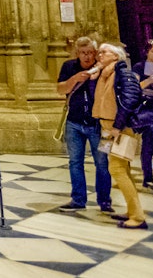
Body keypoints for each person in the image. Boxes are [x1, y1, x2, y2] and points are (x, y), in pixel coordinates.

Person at [92, 43, 147, 229]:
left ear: (116, 56)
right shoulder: (105, 74)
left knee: (116, 169)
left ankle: (138, 217)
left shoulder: (124, 73)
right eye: (99, 52)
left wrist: (117, 126)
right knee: (123, 168)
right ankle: (133, 211)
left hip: (120, 128)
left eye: (104, 52)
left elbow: (130, 99)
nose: (100, 55)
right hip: (107, 127)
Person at [55, 37, 112, 212]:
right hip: (74, 122)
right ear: (77, 53)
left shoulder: (102, 69)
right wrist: (74, 79)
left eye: (90, 53)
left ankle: (104, 201)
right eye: (83, 53)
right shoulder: (69, 66)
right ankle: (78, 199)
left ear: (95, 53)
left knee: (102, 163)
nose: (87, 57)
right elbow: (60, 89)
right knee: (75, 162)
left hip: (97, 124)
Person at [133, 39, 153, 189]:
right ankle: (148, 178)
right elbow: (134, 88)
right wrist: (149, 80)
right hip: (147, 111)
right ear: (147, 52)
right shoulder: (139, 67)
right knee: (149, 144)